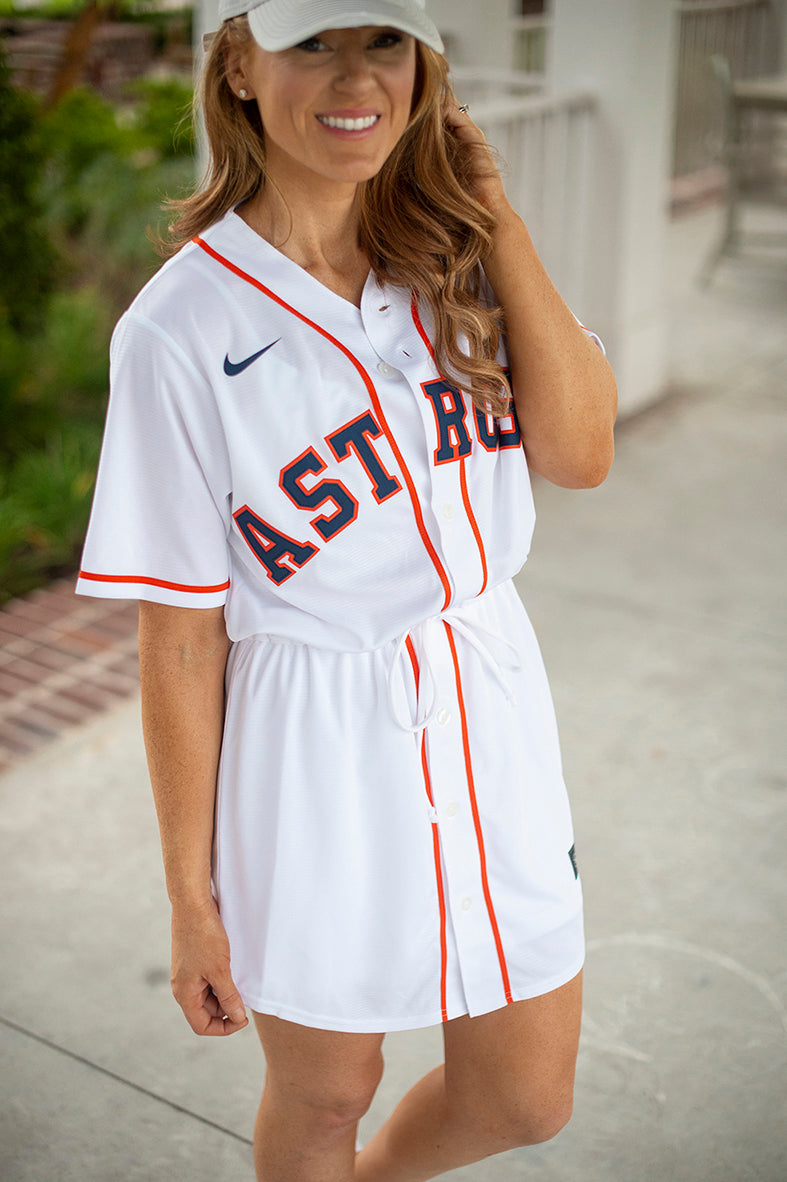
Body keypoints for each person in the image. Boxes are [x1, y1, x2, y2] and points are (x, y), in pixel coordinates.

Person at [77, 0, 617, 1178]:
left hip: (486, 705)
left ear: (423, 65)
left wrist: (496, 216)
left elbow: (580, 454)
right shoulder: (177, 329)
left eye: (383, 40)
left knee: (526, 1097)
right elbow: (178, 637)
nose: (352, 75)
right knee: (327, 1090)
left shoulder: (455, 252)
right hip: (307, 734)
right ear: (236, 62)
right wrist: (189, 897)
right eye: (311, 39)